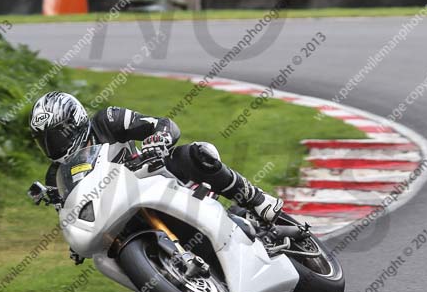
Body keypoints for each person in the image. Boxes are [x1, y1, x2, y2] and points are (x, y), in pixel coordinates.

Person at [30, 91, 283, 232]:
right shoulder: (55, 176)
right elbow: (71, 214)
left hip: (155, 178)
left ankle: (257, 200)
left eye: (56, 136)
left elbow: (162, 124)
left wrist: (158, 140)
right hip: (119, 214)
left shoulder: (107, 120)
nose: (53, 146)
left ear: (76, 122)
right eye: (44, 141)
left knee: (196, 153)